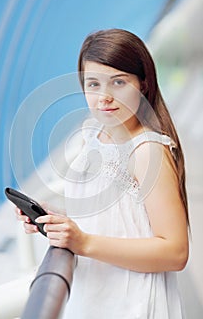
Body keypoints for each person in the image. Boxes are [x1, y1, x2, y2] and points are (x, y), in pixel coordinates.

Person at [16, 29, 189, 318]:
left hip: (132, 302)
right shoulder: (94, 136)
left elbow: (175, 252)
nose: (104, 97)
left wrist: (84, 242)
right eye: (93, 84)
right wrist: (54, 216)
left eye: (118, 82)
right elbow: (114, 217)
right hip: (94, 296)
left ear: (143, 84)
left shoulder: (147, 150)